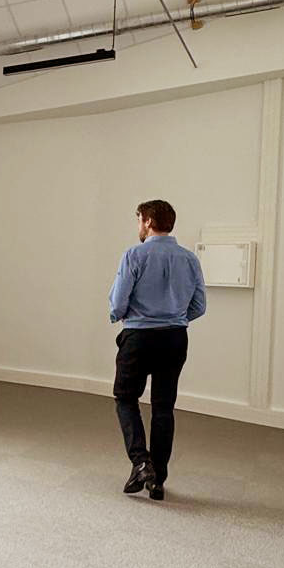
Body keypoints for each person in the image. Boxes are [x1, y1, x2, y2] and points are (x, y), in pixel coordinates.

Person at [108, 199, 206, 500]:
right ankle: (158, 480)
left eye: (139, 220)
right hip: (175, 339)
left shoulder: (134, 255)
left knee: (125, 398)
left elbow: (118, 302)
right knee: (164, 407)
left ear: (148, 221)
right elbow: (199, 306)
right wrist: (174, 319)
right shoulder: (189, 259)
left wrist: (122, 316)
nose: (138, 226)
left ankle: (140, 462)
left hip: (138, 337)